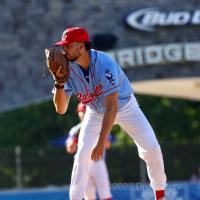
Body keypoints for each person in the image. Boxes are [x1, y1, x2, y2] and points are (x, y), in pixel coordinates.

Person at [51, 27, 167, 200]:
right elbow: (61, 109)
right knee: (82, 155)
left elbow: (112, 106)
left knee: (152, 148)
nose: (63, 50)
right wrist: (59, 82)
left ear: (81, 46)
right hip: (95, 111)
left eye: (68, 46)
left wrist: (100, 141)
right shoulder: (68, 68)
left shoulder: (104, 65)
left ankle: (160, 194)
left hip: (125, 107)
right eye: (63, 46)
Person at [65, 103, 112, 200]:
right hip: (83, 164)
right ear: (79, 113)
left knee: (105, 193)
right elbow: (70, 149)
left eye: (85, 111)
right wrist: (74, 140)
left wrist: (100, 136)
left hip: (98, 163)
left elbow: (108, 145)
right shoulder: (75, 129)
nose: (84, 113)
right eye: (82, 111)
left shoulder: (100, 125)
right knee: (89, 196)